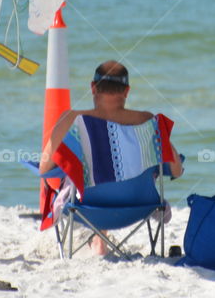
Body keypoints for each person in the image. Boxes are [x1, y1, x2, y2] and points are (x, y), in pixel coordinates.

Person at [39, 60, 183, 254]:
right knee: (114, 171)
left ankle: (99, 239)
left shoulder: (72, 121)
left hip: (86, 207)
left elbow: (44, 170)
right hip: (139, 206)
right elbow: (176, 171)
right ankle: (100, 238)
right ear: (127, 91)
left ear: (93, 88)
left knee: (93, 171)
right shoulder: (149, 123)